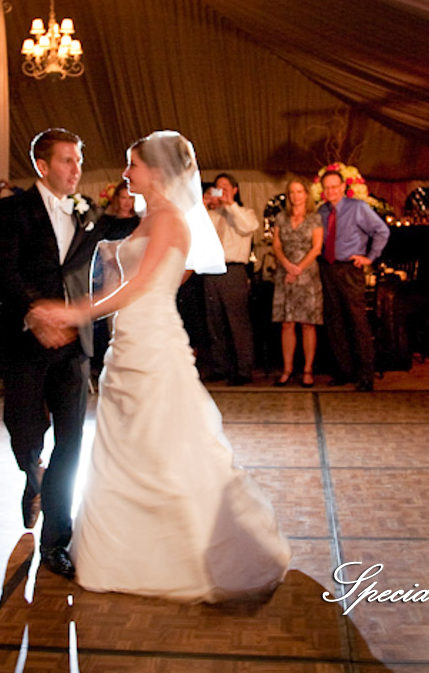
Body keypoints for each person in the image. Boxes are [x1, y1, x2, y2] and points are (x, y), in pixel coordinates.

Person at [37, 131, 290, 602]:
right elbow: (143, 277)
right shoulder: (147, 218)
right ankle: (118, 552)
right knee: (127, 446)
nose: (126, 172)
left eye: (132, 164)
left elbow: (141, 287)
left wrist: (77, 312)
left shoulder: (172, 219)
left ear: (155, 170)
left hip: (153, 344)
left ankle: (185, 556)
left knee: (163, 446)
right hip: (128, 344)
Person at [0, 128, 106, 580]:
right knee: (22, 428)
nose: (76, 169)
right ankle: (32, 477)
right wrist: (36, 312)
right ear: (42, 165)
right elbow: (4, 268)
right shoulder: (14, 210)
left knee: (72, 440)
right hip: (26, 339)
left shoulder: (87, 211)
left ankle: (56, 540)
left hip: (74, 344)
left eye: (79, 160)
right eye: (67, 160)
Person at [316, 169, 391, 391]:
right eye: (326, 187)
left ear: (342, 187)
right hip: (328, 269)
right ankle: (344, 371)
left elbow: (382, 231)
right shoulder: (321, 211)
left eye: (334, 187)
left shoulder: (358, 207)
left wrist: (369, 257)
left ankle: (366, 375)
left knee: (357, 322)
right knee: (334, 322)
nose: (330, 191)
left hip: (350, 269)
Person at [202, 173, 258, 385]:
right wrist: (204, 206)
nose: (221, 190)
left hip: (233, 270)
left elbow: (247, 227)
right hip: (210, 270)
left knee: (237, 322)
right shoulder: (213, 215)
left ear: (235, 189)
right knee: (214, 322)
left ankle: (243, 369)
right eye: (217, 187)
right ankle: (220, 367)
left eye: (226, 187)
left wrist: (230, 204)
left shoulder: (245, 212)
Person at [271, 178, 323, 387]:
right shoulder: (281, 218)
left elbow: (317, 247)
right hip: (285, 274)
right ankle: (287, 369)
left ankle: (308, 370)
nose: (295, 196)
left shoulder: (314, 218)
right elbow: (276, 245)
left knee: (307, 324)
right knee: (287, 323)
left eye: (299, 192)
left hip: (307, 274)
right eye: (291, 192)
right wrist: (287, 266)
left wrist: (298, 268)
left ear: (306, 195)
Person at [91, 181, 142, 378]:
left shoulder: (139, 222)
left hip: (133, 274)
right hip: (111, 274)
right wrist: (112, 257)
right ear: (116, 199)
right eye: (123, 198)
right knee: (113, 321)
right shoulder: (106, 221)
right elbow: (99, 246)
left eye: (131, 198)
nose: (127, 202)